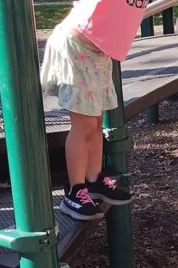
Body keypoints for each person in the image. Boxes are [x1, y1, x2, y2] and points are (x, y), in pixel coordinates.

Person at [40, 0, 147, 220]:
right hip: (77, 45)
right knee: (85, 125)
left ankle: (93, 179)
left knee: (96, 123)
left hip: (99, 51)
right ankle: (74, 191)